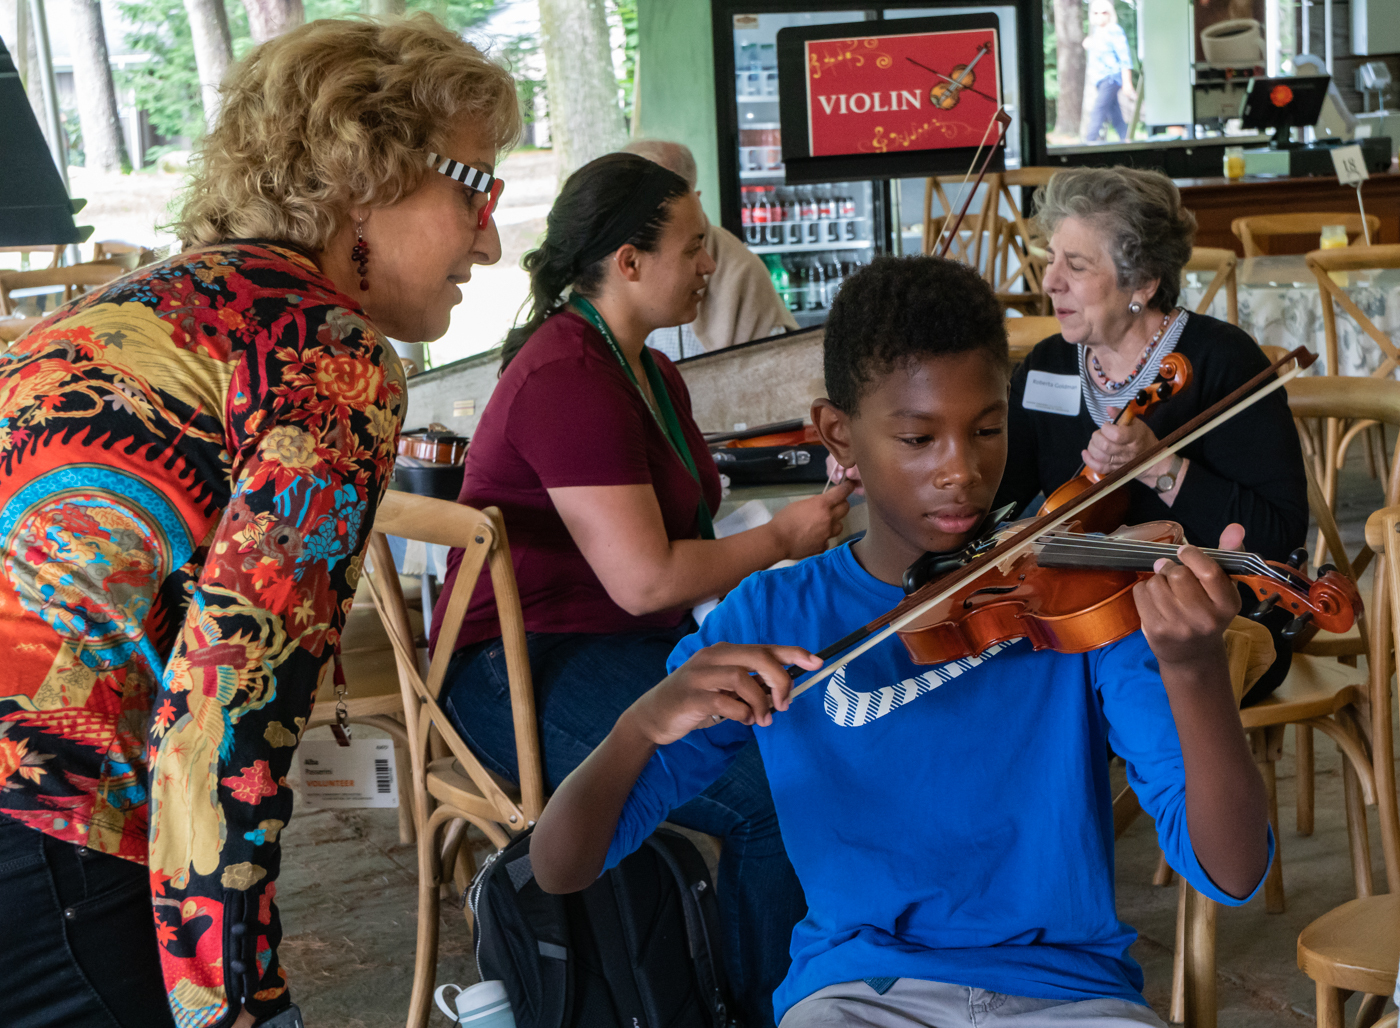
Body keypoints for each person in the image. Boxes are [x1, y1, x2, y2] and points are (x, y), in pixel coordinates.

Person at [526, 254, 1272, 1028]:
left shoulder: (1079, 603)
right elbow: (560, 865)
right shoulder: (772, 616)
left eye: (987, 428)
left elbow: (1234, 868)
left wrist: (1193, 670)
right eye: (918, 439)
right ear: (837, 435)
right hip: (857, 996)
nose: (963, 471)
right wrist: (639, 724)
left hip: (1071, 997)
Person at [0, 16, 518, 1028]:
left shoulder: (136, 310)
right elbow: (220, 723)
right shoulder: (324, 351)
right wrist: (235, 1003)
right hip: (54, 832)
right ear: (364, 176)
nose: (492, 237)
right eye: (475, 185)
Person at [432, 151, 852, 1028]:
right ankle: (763, 1010)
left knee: (814, 728)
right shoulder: (567, 377)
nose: (711, 265)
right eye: (695, 247)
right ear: (628, 261)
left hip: (607, 646)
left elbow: (683, 538)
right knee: (775, 800)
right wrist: (782, 537)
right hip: (513, 674)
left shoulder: (647, 370)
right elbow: (647, 578)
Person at [993, 166, 1307, 704]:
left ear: (1141, 282)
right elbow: (1002, 496)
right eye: (1051, 260)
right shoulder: (1048, 363)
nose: (1050, 282)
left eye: (1076, 264)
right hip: (1076, 616)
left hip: (1209, 621)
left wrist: (1163, 466)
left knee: (1057, 694)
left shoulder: (1222, 362)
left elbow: (1275, 534)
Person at [623, 138, 798, 360]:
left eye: (657, 206)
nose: (708, 266)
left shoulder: (740, 272)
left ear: (693, 200)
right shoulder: (614, 263)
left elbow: (774, 375)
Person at [1083, 0, 1134, 143]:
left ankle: (1089, 142)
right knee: (1115, 114)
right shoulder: (1098, 32)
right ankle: (1126, 139)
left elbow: (1124, 57)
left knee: (1098, 111)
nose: (1100, 16)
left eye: (1104, 12)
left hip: (1110, 78)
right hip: (1100, 80)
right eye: (1096, 13)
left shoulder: (1114, 30)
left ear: (1110, 14)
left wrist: (1127, 82)